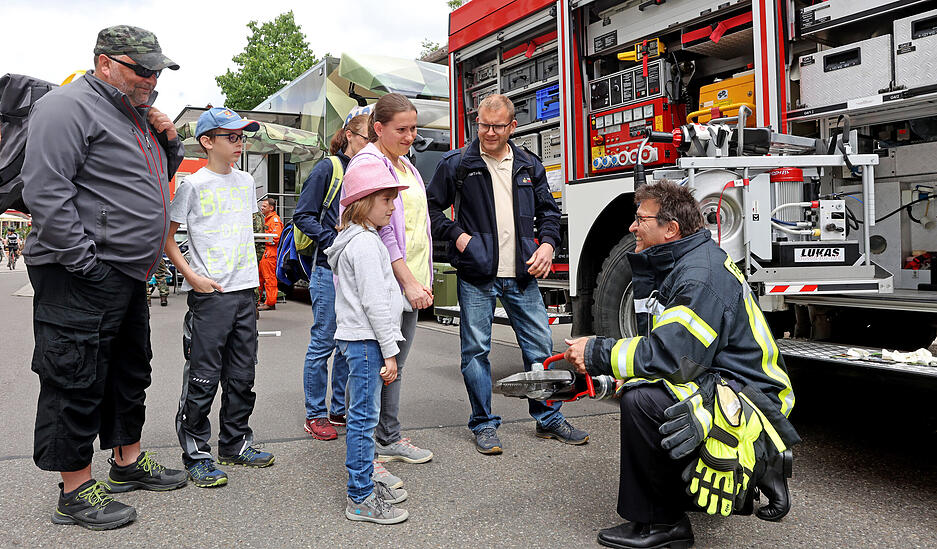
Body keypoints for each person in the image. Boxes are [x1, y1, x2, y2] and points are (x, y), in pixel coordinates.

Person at [564, 181, 799, 549]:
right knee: (646, 391)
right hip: (731, 382)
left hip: (754, 399)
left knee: (642, 400)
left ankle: (664, 523)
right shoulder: (685, 262)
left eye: (640, 219)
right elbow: (678, 351)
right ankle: (735, 477)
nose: (632, 227)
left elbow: (671, 358)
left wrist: (596, 353)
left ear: (670, 228)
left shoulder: (696, 277)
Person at [21, 25, 187, 530]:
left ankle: (127, 463)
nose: (152, 78)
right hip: (81, 271)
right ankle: (73, 491)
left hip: (126, 271)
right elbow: (46, 191)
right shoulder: (66, 107)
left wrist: (170, 143)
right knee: (74, 376)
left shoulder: (136, 116)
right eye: (142, 69)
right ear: (105, 62)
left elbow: (147, 183)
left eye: (157, 69)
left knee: (127, 371)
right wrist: (83, 262)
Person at [427, 94, 588, 454]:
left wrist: (547, 245)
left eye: (498, 126)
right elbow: (430, 209)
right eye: (483, 125)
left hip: (522, 275)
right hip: (476, 275)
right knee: (475, 352)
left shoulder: (529, 165)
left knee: (540, 347)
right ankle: (483, 424)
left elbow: (549, 213)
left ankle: (548, 418)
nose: (489, 132)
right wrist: (459, 236)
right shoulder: (457, 164)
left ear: (512, 126)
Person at [164, 107, 275, 489]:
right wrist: (193, 277)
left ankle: (236, 443)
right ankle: (196, 454)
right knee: (203, 378)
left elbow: (241, 232)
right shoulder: (193, 186)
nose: (239, 142)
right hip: (211, 296)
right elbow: (168, 236)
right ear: (208, 142)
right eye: (232, 137)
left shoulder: (246, 183)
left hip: (245, 294)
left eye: (242, 136)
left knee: (243, 376)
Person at [325, 151, 410, 525]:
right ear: (362, 202)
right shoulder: (364, 244)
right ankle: (359, 496)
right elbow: (375, 303)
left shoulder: (362, 238)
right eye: (386, 198)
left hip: (360, 340)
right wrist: (390, 351)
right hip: (366, 342)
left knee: (362, 417)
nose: (393, 206)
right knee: (363, 420)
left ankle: (363, 486)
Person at [353, 94, 434, 474]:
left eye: (414, 128)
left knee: (394, 366)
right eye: (402, 129)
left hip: (410, 281)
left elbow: (417, 227)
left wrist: (422, 278)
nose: (410, 136)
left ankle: (388, 437)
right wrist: (408, 281)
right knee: (376, 367)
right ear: (378, 127)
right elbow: (383, 229)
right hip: (391, 284)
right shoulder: (370, 162)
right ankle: (367, 454)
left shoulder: (406, 166)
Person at [293, 112, 370, 443]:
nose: (372, 145)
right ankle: (315, 414)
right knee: (324, 341)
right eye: (368, 138)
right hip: (327, 268)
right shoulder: (329, 168)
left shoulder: (367, 169)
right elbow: (302, 215)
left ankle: (338, 408)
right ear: (350, 135)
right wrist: (333, 241)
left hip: (356, 272)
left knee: (347, 341)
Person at [258, 196, 283, 310]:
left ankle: (270, 303)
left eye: (264, 206)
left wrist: (263, 238)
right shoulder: (267, 219)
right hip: (265, 252)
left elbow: (276, 237)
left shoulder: (275, 220)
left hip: (270, 253)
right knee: (260, 279)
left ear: (271, 208)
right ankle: (256, 302)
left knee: (269, 278)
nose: (261, 208)